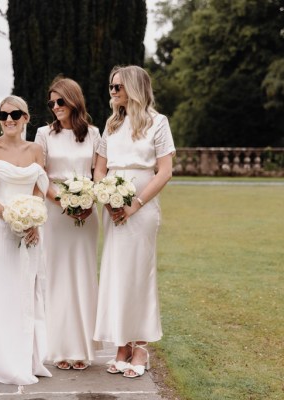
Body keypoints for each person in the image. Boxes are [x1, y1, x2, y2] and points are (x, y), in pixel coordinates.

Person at [93, 65, 175, 378]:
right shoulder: (111, 125)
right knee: (116, 273)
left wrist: (135, 204)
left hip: (143, 210)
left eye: (117, 87)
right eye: (111, 87)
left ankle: (140, 345)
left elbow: (165, 171)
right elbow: (100, 169)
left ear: (134, 87)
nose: (112, 92)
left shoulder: (158, 122)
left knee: (140, 273)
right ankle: (121, 343)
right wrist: (109, 198)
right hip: (113, 211)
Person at [0, 95, 52, 385]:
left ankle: (24, 355)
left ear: (26, 117)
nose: (9, 119)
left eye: (15, 114)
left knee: (25, 289)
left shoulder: (37, 150)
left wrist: (33, 218)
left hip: (29, 229)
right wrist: (9, 215)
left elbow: (40, 187)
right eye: (3, 114)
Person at [35, 78, 102, 371]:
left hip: (87, 215)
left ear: (74, 100)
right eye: (51, 103)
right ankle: (61, 347)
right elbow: (41, 175)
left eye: (60, 101)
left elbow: (99, 174)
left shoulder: (95, 134)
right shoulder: (43, 134)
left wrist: (90, 203)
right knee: (59, 276)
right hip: (55, 213)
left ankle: (82, 349)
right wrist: (62, 202)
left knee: (83, 276)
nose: (55, 108)